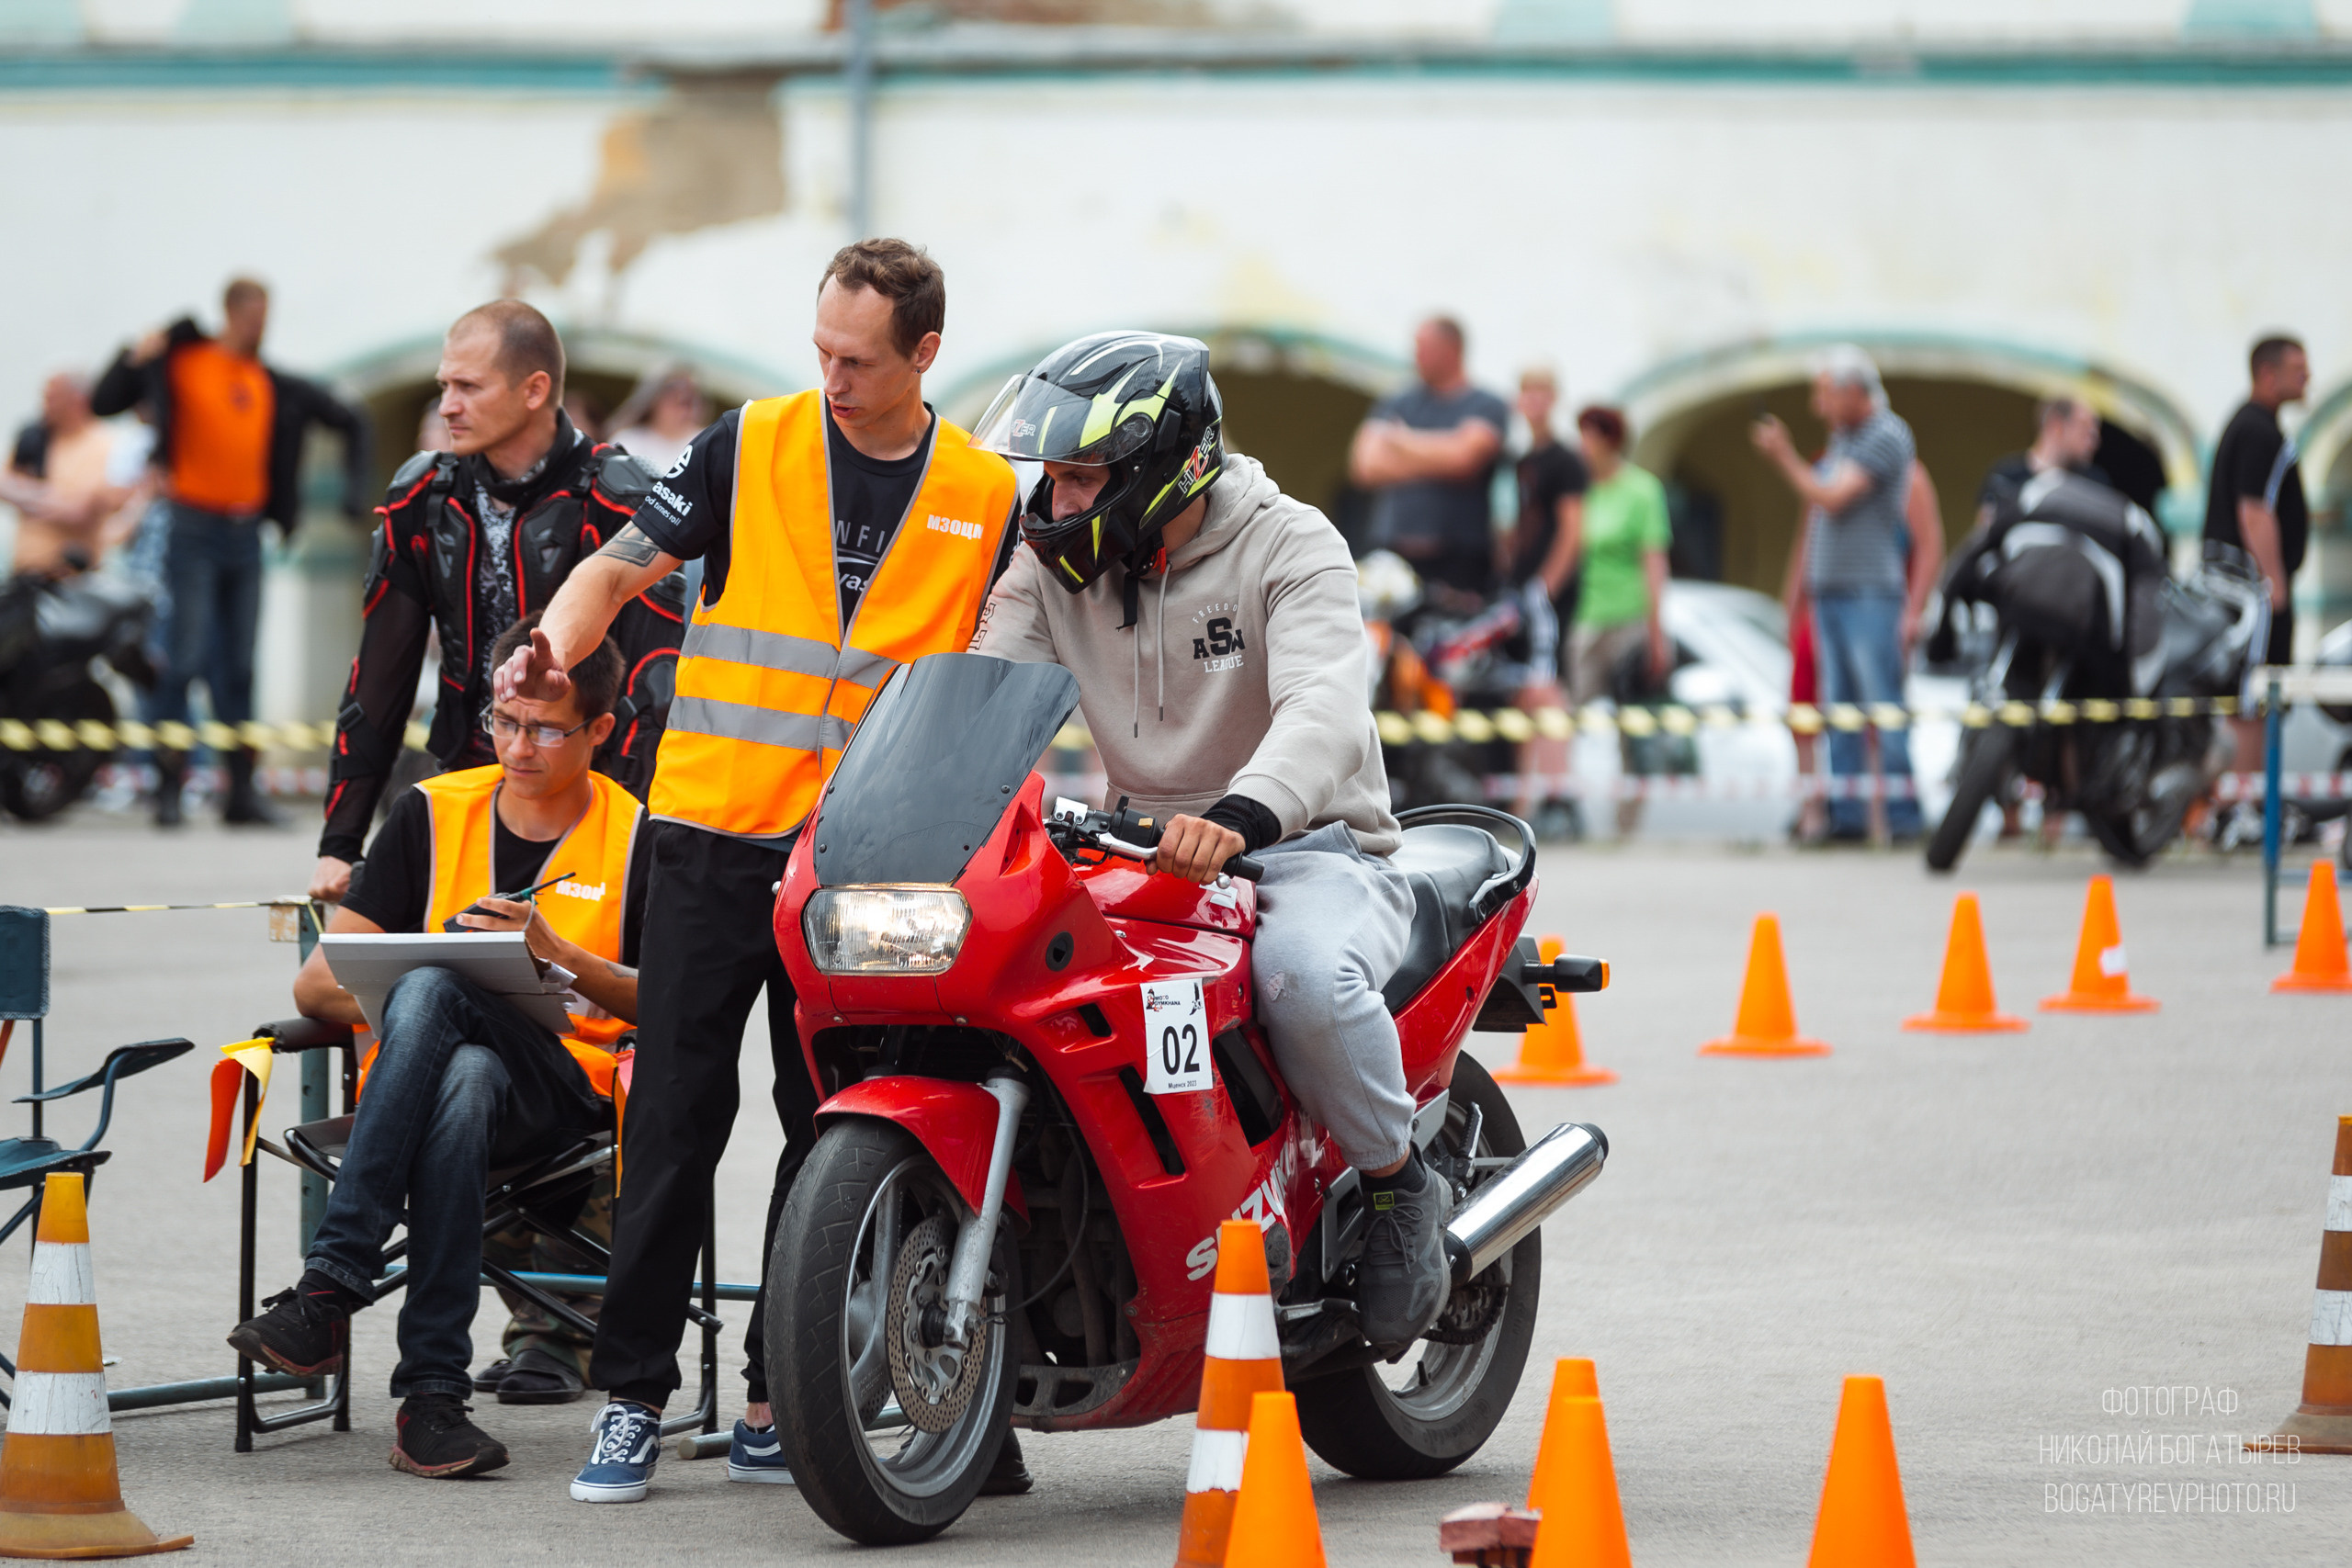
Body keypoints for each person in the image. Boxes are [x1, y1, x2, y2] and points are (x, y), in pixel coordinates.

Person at [492, 239, 1022, 1505]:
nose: (831, 375)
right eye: (821, 348)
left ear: (926, 355)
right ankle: (629, 1396)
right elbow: (618, 565)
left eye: (859, 358)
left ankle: (781, 1391)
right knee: (672, 1113)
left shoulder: (986, 493)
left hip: (868, 862)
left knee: (832, 1121)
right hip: (715, 832)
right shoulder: (752, 442)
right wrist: (550, 652)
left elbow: (1015, 667)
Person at [969, 330, 1445, 1360]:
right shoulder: (1056, 565)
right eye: (1048, 479)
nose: (1054, 504)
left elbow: (1323, 705)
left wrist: (1242, 813)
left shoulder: (1293, 542)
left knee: (1305, 980)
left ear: (1162, 466)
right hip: (1136, 852)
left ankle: (1398, 1182)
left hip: (1305, 844)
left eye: (1079, 478)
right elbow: (979, 689)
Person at [227, 616, 645, 1481]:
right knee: (458, 1066)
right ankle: (431, 1403)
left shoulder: (642, 835)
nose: (518, 745)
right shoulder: (432, 809)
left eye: (545, 728)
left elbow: (672, 1001)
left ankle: (330, 1286)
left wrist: (556, 955)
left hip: (569, 1097)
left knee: (433, 988)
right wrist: (425, 1004)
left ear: (602, 730)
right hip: (437, 1097)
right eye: (504, 721)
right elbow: (315, 987)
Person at [310, 300, 683, 908]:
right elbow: (380, 676)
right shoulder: (422, 497)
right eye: (442, 386)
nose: (446, 406)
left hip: (589, 809)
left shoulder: (623, 497)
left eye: (467, 386)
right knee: (352, 983)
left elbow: (653, 691)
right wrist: (341, 838)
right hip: (461, 790)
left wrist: (628, 840)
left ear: (535, 389)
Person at [91, 277, 369, 828]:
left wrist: (354, 493)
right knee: (186, 657)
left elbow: (350, 418)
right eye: (251, 315)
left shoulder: (270, 380)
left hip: (246, 533)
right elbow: (106, 401)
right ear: (230, 312)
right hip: (192, 525)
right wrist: (135, 352)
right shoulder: (184, 360)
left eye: (266, 315)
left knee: (239, 666)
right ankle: (169, 788)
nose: (259, 326)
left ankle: (239, 794)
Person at [1751, 347, 1924, 842]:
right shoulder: (1844, 438)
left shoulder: (1886, 434)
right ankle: (1847, 819)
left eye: (1825, 392)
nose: (1818, 405)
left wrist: (1783, 454)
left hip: (1869, 592)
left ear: (1853, 390)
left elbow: (1830, 498)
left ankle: (1904, 817)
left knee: (1881, 705)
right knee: (1839, 710)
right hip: (1832, 593)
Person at [2205, 334, 2311, 789]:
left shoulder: (2250, 425)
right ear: (2268, 374)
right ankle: (2242, 806)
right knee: (2253, 693)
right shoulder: (2259, 431)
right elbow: (2253, 510)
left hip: (2240, 583)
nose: (2308, 378)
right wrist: (2275, 584)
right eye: (2299, 369)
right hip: (2249, 586)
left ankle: (2241, 804)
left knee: (2252, 695)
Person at [1348, 317, 1511, 598]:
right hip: (1393, 559)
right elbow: (1364, 468)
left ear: (1452, 349)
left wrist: (1401, 441)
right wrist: (1440, 456)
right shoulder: (1396, 402)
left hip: (1459, 564)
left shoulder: (1487, 405)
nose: (1416, 356)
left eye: (1423, 348)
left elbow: (1465, 460)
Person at [1566, 405, 1671, 838]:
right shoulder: (1579, 491)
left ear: (1610, 441)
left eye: (1588, 436)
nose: (1581, 446)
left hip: (1629, 619)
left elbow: (1653, 561)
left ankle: (1626, 825)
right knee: (1566, 718)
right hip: (1586, 618)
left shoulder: (1642, 490)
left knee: (1633, 729)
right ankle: (1562, 810)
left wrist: (1656, 629)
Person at [1501, 368, 1588, 830]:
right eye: (1525, 392)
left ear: (1553, 399)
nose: (1532, 401)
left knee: (1546, 686)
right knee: (1524, 691)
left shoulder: (1565, 461)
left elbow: (1573, 529)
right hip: (1519, 591)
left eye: (1540, 393)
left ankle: (1559, 797)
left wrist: (1546, 585)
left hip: (1545, 597)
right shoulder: (1522, 460)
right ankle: (1521, 803)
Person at [6, 374, 149, 578]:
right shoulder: (35, 438)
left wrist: (24, 495)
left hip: (76, 577)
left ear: (77, 401)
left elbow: (81, 511)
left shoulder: (108, 445)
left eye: (53, 398)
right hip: (25, 571)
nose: (45, 405)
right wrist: (51, 500)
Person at [1976, 397, 2107, 530]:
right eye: (2085, 429)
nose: (2095, 441)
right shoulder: (2006, 477)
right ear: (2057, 426)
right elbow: (1986, 533)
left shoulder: (2094, 484)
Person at [606, 366, 709, 476]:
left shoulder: (710, 444)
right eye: (675, 400)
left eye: (689, 402)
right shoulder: (628, 440)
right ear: (654, 400)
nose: (683, 411)